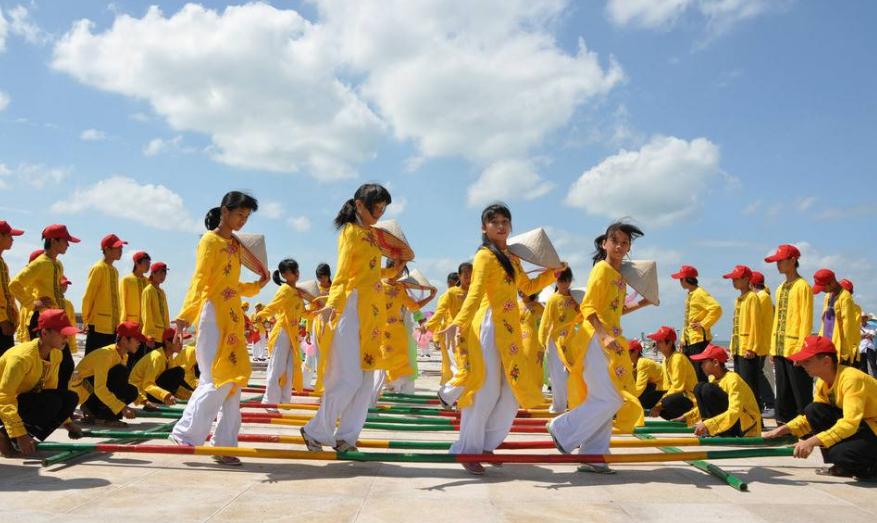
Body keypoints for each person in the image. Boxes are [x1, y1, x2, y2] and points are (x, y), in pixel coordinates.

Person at [442, 203, 562, 475]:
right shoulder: (485, 256)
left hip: (509, 329)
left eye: (505, 221)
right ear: (484, 228)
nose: (500, 225)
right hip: (488, 325)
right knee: (485, 392)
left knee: (511, 392)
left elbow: (527, 287)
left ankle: (485, 444)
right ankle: (468, 450)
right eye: (493, 221)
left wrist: (550, 274)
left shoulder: (512, 258)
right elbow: (474, 292)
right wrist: (458, 322)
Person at [169, 191, 268, 465]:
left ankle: (225, 444)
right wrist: (184, 316)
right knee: (216, 378)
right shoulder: (209, 242)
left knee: (234, 382)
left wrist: (258, 285)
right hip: (212, 314)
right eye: (239, 214)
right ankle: (185, 432)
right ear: (224, 211)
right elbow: (200, 280)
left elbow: (233, 286)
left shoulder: (236, 246)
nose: (243, 221)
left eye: (247, 217)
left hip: (233, 317)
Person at [300, 184, 399, 454]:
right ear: (359, 205)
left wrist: (393, 270)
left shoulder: (373, 236)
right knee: (349, 379)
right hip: (351, 307)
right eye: (375, 207)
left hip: (372, 312)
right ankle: (315, 430)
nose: (379, 212)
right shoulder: (351, 233)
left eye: (382, 208)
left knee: (366, 381)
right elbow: (343, 273)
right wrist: (333, 305)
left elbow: (371, 273)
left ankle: (347, 437)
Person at [547, 221, 651, 474]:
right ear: (604, 243)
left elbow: (614, 311)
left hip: (610, 340)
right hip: (595, 340)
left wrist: (642, 304)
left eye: (625, 243)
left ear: (628, 249)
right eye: (615, 241)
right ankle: (563, 427)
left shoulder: (618, 277)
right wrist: (603, 336)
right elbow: (589, 307)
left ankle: (593, 454)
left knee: (604, 397)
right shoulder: (601, 271)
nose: (619, 246)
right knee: (611, 397)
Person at [764, 335, 877, 481]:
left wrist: (810, 442)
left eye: (807, 361)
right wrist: (784, 429)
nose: (800, 364)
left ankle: (868, 468)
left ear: (826, 361)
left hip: (872, 427)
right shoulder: (823, 382)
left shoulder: (851, 379)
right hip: (864, 426)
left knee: (842, 455)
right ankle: (843, 464)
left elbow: (849, 424)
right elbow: (811, 417)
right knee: (814, 409)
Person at [0, 309, 81, 457]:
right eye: (63, 334)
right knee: (52, 401)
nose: (67, 338)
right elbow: (4, 397)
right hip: (4, 405)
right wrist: (20, 434)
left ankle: (23, 436)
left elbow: (50, 390)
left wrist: (67, 422)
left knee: (69, 398)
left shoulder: (56, 354)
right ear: (44, 333)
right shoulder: (21, 358)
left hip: (19, 402)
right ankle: (5, 436)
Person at [10, 225, 78, 391]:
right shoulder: (40, 264)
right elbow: (15, 285)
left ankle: (59, 408)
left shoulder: (58, 264)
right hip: (43, 321)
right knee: (44, 366)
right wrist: (32, 303)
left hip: (58, 322)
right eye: (65, 241)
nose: (68, 245)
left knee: (65, 365)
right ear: (54, 241)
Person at [254, 258, 314, 405]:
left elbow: (303, 313)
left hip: (292, 335)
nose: (297, 273)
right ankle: (269, 400)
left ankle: (284, 399)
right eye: (294, 271)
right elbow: (273, 306)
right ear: (286, 274)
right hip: (282, 332)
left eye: (297, 270)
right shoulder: (285, 290)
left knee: (289, 368)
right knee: (276, 367)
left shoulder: (297, 293)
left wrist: (318, 309)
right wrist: (260, 316)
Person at [765, 244, 813, 425]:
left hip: (795, 348)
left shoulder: (803, 287)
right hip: (779, 347)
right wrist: (772, 347)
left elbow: (805, 320)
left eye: (781, 260)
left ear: (793, 261)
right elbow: (777, 318)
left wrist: (802, 350)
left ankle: (805, 426)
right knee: (783, 390)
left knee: (800, 390)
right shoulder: (780, 288)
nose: (778, 264)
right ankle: (783, 424)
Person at [71, 321, 145, 427]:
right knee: (120, 372)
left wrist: (143, 400)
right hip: (80, 393)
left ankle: (95, 411)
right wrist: (122, 407)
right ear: (124, 339)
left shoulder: (123, 356)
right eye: (136, 339)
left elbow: (122, 386)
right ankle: (97, 412)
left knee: (132, 391)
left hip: (92, 390)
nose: (139, 343)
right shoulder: (106, 355)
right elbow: (100, 388)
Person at [682, 344, 762, 437]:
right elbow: (705, 407)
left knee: (707, 389)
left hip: (745, 428)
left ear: (715, 362)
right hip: (732, 423)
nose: (701, 366)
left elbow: (734, 412)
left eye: (704, 362)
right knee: (699, 387)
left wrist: (708, 425)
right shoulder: (713, 379)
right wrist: (687, 418)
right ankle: (712, 431)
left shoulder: (733, 380)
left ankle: (717, 431)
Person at [427, 262, 471, 401]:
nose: (469, 278)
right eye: (466, 275)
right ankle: (447, 394)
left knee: (468, 367)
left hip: (473, 335)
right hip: (454, 335)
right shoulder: (451, 293)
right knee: (461, 367)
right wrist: (428, 327)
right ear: (460, 276)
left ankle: (457, 397)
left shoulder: (475, 293)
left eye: (472, 275)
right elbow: (440, 312)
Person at [671, 265, 722, 382]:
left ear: (686, 279)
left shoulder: (700, 293)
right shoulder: (691, 294)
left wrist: (704, 324)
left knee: (700, 374)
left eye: (681, 279)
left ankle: (702, 398)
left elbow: (716, 308)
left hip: (699, 341)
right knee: (691, 374)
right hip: (691, 341)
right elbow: (688, 321)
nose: (680, 282)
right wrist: (683, 340)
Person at [538, 267, 578, 413]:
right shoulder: (553, 299)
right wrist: (542, 342)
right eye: (561, 280)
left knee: (574, 373)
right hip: (555, 341)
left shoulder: (576, 298)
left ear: (570, 281)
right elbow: (546, 321)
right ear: (557, 280)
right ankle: (559, 406)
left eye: (567, 280)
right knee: (557, 375)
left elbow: (584, 314)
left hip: (572, 340)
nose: (564, 283)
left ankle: (574, 403)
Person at [723, 265, 762, 409]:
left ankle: (755, 417)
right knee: (741, 385)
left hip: (747, 350)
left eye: (736, 279)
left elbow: (755, 324)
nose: (733, 281)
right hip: (739, 348)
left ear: (746, 279)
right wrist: (733, 347)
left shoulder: (752, 297)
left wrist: (752, 347)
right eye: (733, 279)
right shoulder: (739, 298)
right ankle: (745, 415)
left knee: (750, 386)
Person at [82, 234, 126, 354]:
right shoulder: (98, 268)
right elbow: (88, 296)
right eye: (118, 248)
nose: (121, 251)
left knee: (106, 363)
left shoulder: (114, 270)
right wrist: (86, 320)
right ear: (107, 249)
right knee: (92, 362)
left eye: (121, 248)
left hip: (111, 327)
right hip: (97, 325)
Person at [130, 327, 191, 408]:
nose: (181, 344)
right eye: (178, 341)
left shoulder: (169, 357)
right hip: (140, 393)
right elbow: (147, 384)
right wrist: (165, 395)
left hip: (151, 392)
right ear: (167, 343)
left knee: (178, 372)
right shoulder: (157, 357)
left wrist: (191, 396)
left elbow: (173, 384)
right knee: (178, 371)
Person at [648, 326, 698, 421]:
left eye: (660, 341)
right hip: (678, 395)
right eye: (656, 341)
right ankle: (677, 416)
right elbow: (666, 385)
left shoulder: (677, 358)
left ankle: (688, 414)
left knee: (666, 402)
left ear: (670, 343)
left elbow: (677, 387)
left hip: (689, 397)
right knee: (651, 397)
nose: (657, 344)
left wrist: (659, 405)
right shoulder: (665, 359)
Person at [813, 269, 859, 366]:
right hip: (826, 347)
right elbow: (824, 323)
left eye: (823, 288)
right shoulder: (828, 296)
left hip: (838, 350)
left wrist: (845, 353)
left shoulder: (845, 297)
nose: (822, 291)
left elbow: (848, 327)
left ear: (831, 283)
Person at [751, 270, 776, 417]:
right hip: (761, 342)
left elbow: (755, 322)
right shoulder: (764, 297)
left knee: (760, 375)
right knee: (759, 374)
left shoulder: (761, 297)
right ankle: (766, 403)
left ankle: (770, 403)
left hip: (760, 343)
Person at [137, 261, 170, 369]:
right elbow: (146, 314)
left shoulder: (162, 292)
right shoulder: (148, 290)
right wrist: (149, 335)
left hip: (162, 336)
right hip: (152, 336)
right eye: (160, 273)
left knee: (161, 364)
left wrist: (168, 333)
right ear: (153, 274)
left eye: (164, 273)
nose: (163, 276)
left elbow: (166, 315)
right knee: (150, 364)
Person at [0, 220, 25, 355]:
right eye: (9, 236)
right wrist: (3, 321)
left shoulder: (3, 263)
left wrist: (13, 318)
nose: (12, 239)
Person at [519, 292, 546, 401]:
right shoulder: (515, 305)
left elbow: (544, 327)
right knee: (520, 367)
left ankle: (535, 396)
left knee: (534, 366)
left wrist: (541, 347)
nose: (520, 291)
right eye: (519, 289)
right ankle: (522, 396)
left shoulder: (539, 307)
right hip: (517, 341)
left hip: (533, 342)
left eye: (524, 288)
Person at [628, 339, 665, 410]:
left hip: (662, 389)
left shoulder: (642, 363)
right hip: (657, 388)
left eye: (627, 352)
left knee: (640, 398)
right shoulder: (635, 364)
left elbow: (639, 387)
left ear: (635, 352)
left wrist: (627, 399)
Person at [120, 251, 150, 324]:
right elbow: (121, 302)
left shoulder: (148, 282)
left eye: (149, 263)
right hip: (130, 323)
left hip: (146, 324)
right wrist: (122, 322)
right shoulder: (126, 280)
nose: (148, 265)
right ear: (136, 263)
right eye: (145, 262)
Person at [859, 313, 876, 379]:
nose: (862, 319)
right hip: (861, 349)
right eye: (861, 317)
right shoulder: (857, 327)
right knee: (863, 367)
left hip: (870, 347)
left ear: (866, 318)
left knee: (873, 366)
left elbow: (872, 335)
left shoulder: (872, 326)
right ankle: (867, 381)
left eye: (864, 317)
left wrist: (863, 336)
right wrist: (867, 335)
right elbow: (857, 337)